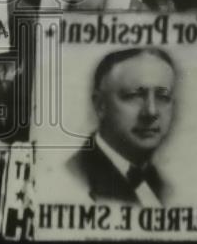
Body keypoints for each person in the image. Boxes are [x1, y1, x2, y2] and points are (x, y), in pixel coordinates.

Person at [66, 48, 177, 205]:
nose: (151, 111)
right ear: (100, 106)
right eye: (134, 95)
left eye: (163, 97)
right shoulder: (75, 178)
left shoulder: (162, 186)